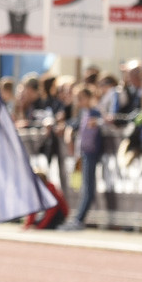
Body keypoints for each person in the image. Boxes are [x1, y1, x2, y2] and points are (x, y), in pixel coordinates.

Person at [61, 85, 102, 231]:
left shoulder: (95, 113)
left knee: (88, 187)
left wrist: (98, 122)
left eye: (81, 98)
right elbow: (72, 124)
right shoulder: (83, 113)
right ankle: (78, 218)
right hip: (84, 153)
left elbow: (103, 124)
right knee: (84, 186)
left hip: (91, 153)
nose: (78, 102)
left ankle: (79, 219)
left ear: (89, 98)